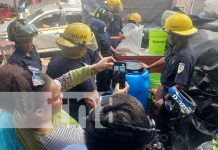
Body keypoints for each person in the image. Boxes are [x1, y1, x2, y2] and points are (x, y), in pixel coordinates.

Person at [11, 56, 117, 150]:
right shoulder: (64, 140)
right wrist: (112, 103)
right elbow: (95, 140)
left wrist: (95, 68)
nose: (62, 95)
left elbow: (64, 81)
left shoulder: (21, 109)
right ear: (40, 112)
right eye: (57, 97)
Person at [142, 13, 197, 149]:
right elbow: (166, 58)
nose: (167, 36)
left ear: (176, 34)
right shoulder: (176, 46)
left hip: (173, 97)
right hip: (167, 90)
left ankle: (166, 145)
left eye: (168, 33)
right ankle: (158, 140)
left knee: (165, 125)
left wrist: (163, 100)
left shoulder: (185, 55)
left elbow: (179, 85)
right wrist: (149, 67)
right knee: (159, 120)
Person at [46, 23, 100, 121]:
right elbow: (91, 101)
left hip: (57, 115)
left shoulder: (52, 63)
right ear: (81, 47)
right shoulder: (83, 70)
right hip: (77, 119)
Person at [90, 18, 116, 92]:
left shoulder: (106, 33)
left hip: (109, 60)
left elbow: (109, 45)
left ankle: (107, 91)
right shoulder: (96, 37)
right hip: (102, 62)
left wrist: (116, 52)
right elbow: (98, 53)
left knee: (109, 78)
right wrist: (105, 63)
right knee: (101, 80)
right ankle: (100, 95)